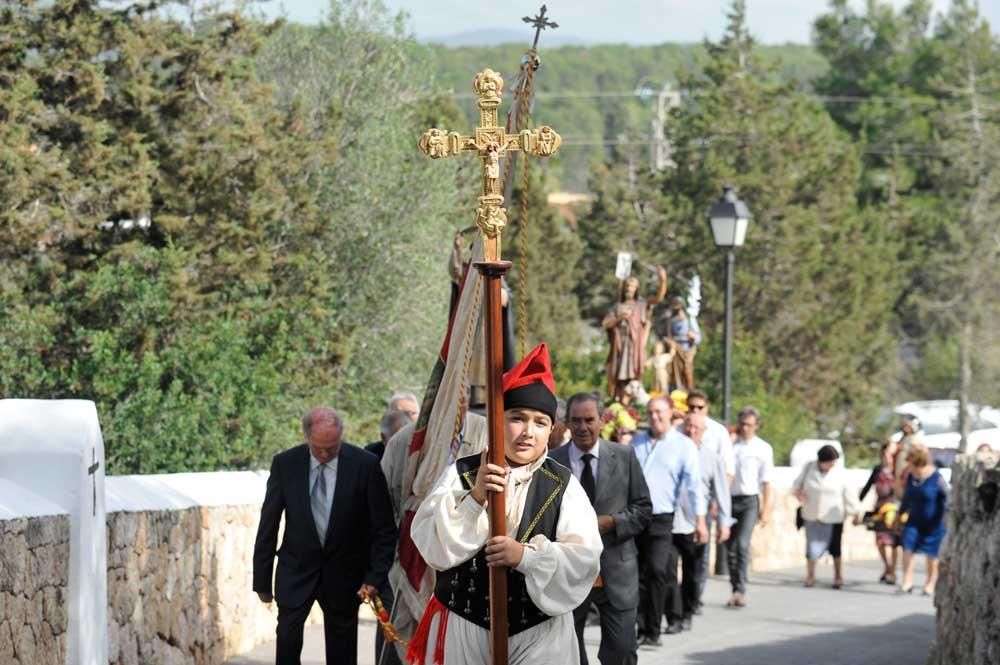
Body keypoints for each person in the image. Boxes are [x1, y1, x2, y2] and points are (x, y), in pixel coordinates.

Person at [406, 344, 603, 665]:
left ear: (552, 430)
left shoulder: (563, 484)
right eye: (517, 418)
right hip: (463, 625)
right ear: (497, 421)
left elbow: (584, 559)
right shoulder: (461, 473)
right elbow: (431, 544)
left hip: (539, 631)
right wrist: (476, 498)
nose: (528, 432)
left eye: (540, 422)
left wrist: (526, 557)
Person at [253, 407, 397, 665]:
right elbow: (268, 524)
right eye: (318, 447)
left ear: (341, 436)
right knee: (286, 640)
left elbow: (384, 529)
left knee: (342, 652)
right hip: (295, 572)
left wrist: (374, 576)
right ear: (307, 437)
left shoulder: (365, 465)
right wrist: (261, 580)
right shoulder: (286, 464)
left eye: (331, 447)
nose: (324, 454)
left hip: (344, 576)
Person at [550, 393, 652, 665]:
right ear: (566, 422)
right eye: (576, 420)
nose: (583, 427)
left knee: (621, 650)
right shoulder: (551, 462)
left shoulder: (624, 456)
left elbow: (643, 509)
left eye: (589, 420)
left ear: (602, 420)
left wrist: (611, 522)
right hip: (569, 573)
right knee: (566, 652)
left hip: (616, 571)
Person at [631, 396, 706, 647]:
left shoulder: (683, 446)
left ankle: (652, 630)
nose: (654, 417)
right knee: (636, 573)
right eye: (650, 412)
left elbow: (695, 486)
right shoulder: (636, 442)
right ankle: (640, 628)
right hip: (634, 515)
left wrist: (701, 520)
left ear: (670, 413)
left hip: (662, 518)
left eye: (659, 412)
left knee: (657, 570)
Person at [666, 412, 732, 632]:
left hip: (696, 524)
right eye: (687, 426)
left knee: (692, 573)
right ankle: (674, 617)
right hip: (670, 520)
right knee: (667, 571)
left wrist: (724, 522)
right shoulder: (671, 452)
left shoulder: (712, 458)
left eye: (695, 428)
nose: (691, 431)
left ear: (703, 431)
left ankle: (687, 612)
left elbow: (722, 493)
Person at [792, 445, 861, 589]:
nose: (832, 465)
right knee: (811, 547)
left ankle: (838, 576)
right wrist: (799, 494)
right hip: (812, 514)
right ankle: (810, 576)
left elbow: (849, 494)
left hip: (834, 516)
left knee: (835, 547)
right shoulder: (809, 468)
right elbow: (797, 485)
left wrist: (855, 512)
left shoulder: (840, 473)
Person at [726, 406, 774, 608]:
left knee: (742, 544)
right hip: (730, 500)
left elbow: (767, 482)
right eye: (743, 424)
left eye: (750, 425)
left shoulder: (763, 448)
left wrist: (767, 508)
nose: (746, 428)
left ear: (756, 426)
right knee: (729, 548)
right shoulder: (731, 446)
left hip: (749, 501)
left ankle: (741, 589)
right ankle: (735, 586)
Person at [602, 267, 667, 402]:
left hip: (634, 346)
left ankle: (631, 402)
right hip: (619, 346)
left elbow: (658, 298)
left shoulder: (641, 304)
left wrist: (662, 280)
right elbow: (606, 323)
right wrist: (620, 318)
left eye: (632, 287)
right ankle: (617, 401)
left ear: (636, 289)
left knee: (633, 377)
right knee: (618, 377)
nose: (628, 289)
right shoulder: (617, 306)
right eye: (627, 286)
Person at [899, 444, 949, 595]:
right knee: (907, 548)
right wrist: (899, 515)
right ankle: (907, 582)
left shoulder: (937, 478)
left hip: (934, 523)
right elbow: (906, 498)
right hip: (914, 520)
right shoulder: (911, 477)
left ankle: (929, 584)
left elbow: (947, 498)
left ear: (919, 463)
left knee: (932, 555)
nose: (911, 468)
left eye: (912, 465)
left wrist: (945, 518)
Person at [859, 440, 901, 584]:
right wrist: (857, 504)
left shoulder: (899, 470)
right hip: (880, 508)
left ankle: (893, 571)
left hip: (895, 508)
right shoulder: (878, 469)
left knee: (895, 542)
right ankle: (888, 567)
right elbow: (867, 486)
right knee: (881, 541)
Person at [660, 295, 700, 391]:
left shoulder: (689, 319)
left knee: (686, 371)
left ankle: (688, 390)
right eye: (674, 304)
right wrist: (669, 341)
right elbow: (664, 335)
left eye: (678, 304)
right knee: (672, 373)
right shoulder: (669, 320)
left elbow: (698, 337)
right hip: (674, 350)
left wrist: (693, 337)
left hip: (686, 350)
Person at [894, 415, 924, 498]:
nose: (905, 428)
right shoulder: (904, 438)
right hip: (900, 471)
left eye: (908, 426)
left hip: (908, 471)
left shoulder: (915, 440)